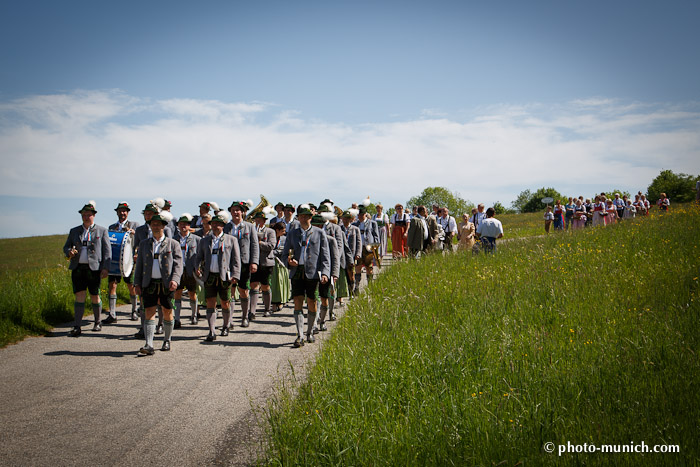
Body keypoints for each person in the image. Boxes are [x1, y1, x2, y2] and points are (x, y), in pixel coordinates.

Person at [133, 211, 183, 354]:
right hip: (148, 283)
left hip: (166, 283)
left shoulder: (173, 244)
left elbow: (178, 265)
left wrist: (175, 280)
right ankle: (149, 344)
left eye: (158, 225)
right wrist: (137, 283)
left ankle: (167, 339)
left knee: (167, 311)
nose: (155, 226)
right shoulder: (144, 244)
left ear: (163, 227)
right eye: (153, 224)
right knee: (149, 311)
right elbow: (140, 265)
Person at [281, 205, 331, 347]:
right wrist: (289, 262)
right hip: (297, 272)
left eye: (306, 216)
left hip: (313, 272)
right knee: (297, 301)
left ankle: (309, 332)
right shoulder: (292, 233)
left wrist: (326, 273)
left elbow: (325, 256)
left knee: (312, 302)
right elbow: (285, 254)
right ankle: (300, 335)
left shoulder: (319, 233)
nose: (304, 218)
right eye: (301, 216)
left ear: (311, 217)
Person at [63, 201, 111, 336]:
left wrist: (105, 268)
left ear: (94, 216)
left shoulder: (101, 231)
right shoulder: (74, 231)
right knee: (79, 295)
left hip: (94, 268)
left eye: (88, 215)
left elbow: (107, 251)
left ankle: (97, 322)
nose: (86, 217)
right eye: (84, 215)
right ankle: (77, 325)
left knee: (95, 295)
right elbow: (66, 247)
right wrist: (69, 253)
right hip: (78, 267)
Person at [195, 211, 241, 341]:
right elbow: (198, 257)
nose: (215, 226)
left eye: (218, 224)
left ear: (223, 225)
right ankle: (211, 330)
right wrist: (197, 268)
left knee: (225, 302)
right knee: (210, 303)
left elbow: (236, 260)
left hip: (225, 276)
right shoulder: (204, 241)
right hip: (209, 276)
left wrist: (235, 275)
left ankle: (225, 326)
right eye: (213, 224)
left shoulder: (231, 240)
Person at [225, 201, 260, 328]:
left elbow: (254, 245)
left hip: (244, 262)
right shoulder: (226, 227)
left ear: (242, 212)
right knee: (230, 291)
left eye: (238, 210)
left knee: (244, 291)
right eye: (233, 210)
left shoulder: (249, 227)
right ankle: (229, 319)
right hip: (229, 263)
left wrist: (254, 262)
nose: (235, 212)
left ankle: (245, 317)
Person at [105, 202, 139, 324]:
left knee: (131, 286)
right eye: (120, 211)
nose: (122, 213)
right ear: (117, 212)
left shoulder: (134, 225)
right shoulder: (111, 227)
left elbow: (139, 240)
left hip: (129, 261)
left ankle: (134, 310)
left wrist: (132, 232)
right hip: (115, 262)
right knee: (112, 286)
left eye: (124, 211)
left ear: (128, 212)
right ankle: (112, 313)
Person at [311, 214, 339, 333]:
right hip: (313, 273)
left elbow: (335, 258)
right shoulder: (309, 239)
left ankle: (322, 321)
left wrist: (334, 274)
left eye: (318, 225)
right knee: (314, 298)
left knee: (324, 297)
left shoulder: (330, 240)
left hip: (326, 272)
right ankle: (315, 322)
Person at [173, 213, 201, 327]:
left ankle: (194, 315)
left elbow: (200, 255)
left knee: (192, 293)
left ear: (189, 226)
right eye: (181, 224)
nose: (183, 226)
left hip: (191, 270)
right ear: (178, 226)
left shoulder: (196, 239)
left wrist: (199, 267)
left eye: (186, 224)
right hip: (178, 270)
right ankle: (177, 318)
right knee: (177, 293)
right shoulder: (174, 239)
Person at [250, 211, 276, 317]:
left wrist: (259, 243)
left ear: (264, 221)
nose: (257, 222)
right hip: (254, 261)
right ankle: (252, 311)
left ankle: (267, 308)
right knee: (254, 285)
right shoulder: (252, 231)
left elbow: (271, 245)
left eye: (259, 220)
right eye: (256, 220)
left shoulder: (270, 231)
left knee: (265, 286)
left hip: (266, 262)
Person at [352, 206, 380, 291]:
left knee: (369, 267)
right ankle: (356, 286)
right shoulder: (355, 224)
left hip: (368, 248)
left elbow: (376, 236)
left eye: (362, 215)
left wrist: (375, 248)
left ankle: (370, 286)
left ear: (365, 214)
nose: (360, 216)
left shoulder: (372, 223)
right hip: (358, 249)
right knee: (358, 267)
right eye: (359, 215)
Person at [270, 222, 291, 312]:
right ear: (277, 230)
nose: (284, 232)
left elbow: (286, 249)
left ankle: (281, 301)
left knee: (281, 283)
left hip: (282, 263)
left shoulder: (284, 239)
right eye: (282, 231)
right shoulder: (271, 237)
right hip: (272, 263)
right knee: (273, 284)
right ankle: (273, 302)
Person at [340, 209, 361, 297]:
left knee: (351, 273)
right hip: (341, 254)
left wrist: (358, 253)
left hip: (351, 254)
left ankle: (352, 290)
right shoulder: (339, 228)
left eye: (348, 218)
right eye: (344, 218)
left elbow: (359, 242)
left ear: (351, 219)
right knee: (342, 273)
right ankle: (342, 292)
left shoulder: (355, 229)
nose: (346, 220)